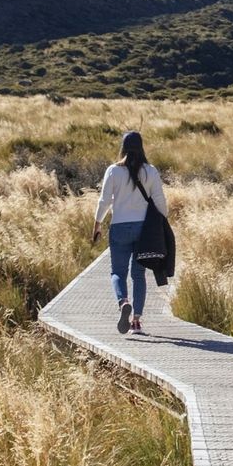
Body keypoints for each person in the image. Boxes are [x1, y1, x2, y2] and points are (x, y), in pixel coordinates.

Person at [92, 130, 168, 335]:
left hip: (119, 227)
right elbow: (160, 202)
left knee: (118, 272)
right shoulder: (150, 171)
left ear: (123, 148)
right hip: (144, 230)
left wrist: (97, 224)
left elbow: (104, 201)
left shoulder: (113, 171)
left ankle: (123, 301)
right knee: (138, 275)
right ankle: (136, 322)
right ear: (141, 148)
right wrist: (162, 222)